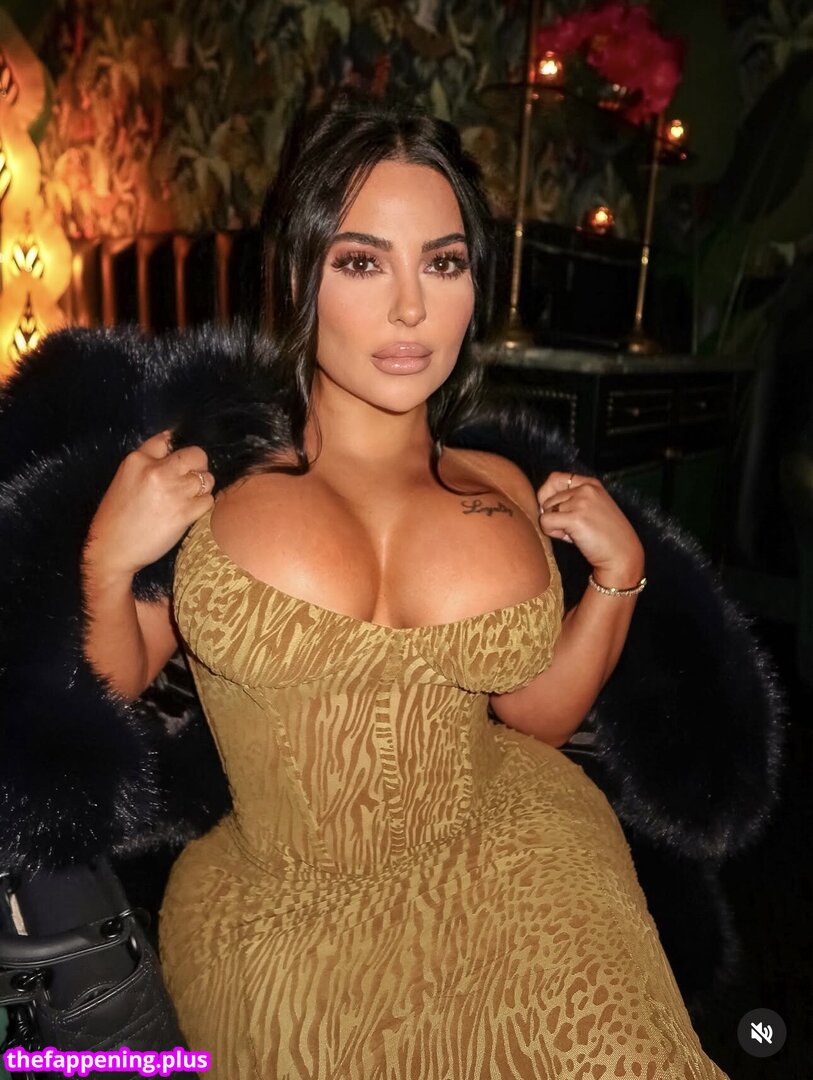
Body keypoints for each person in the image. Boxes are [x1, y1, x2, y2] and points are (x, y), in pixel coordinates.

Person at [79, 95, 730, 1078]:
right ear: (297, 274)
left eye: (443, 263)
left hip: (512, 865)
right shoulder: (211, 471)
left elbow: (536, 718)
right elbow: (113, 680)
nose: (412, 309)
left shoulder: (501, 487)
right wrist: (106, 560)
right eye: (361, 262)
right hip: (279, 918)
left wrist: (617, 574)